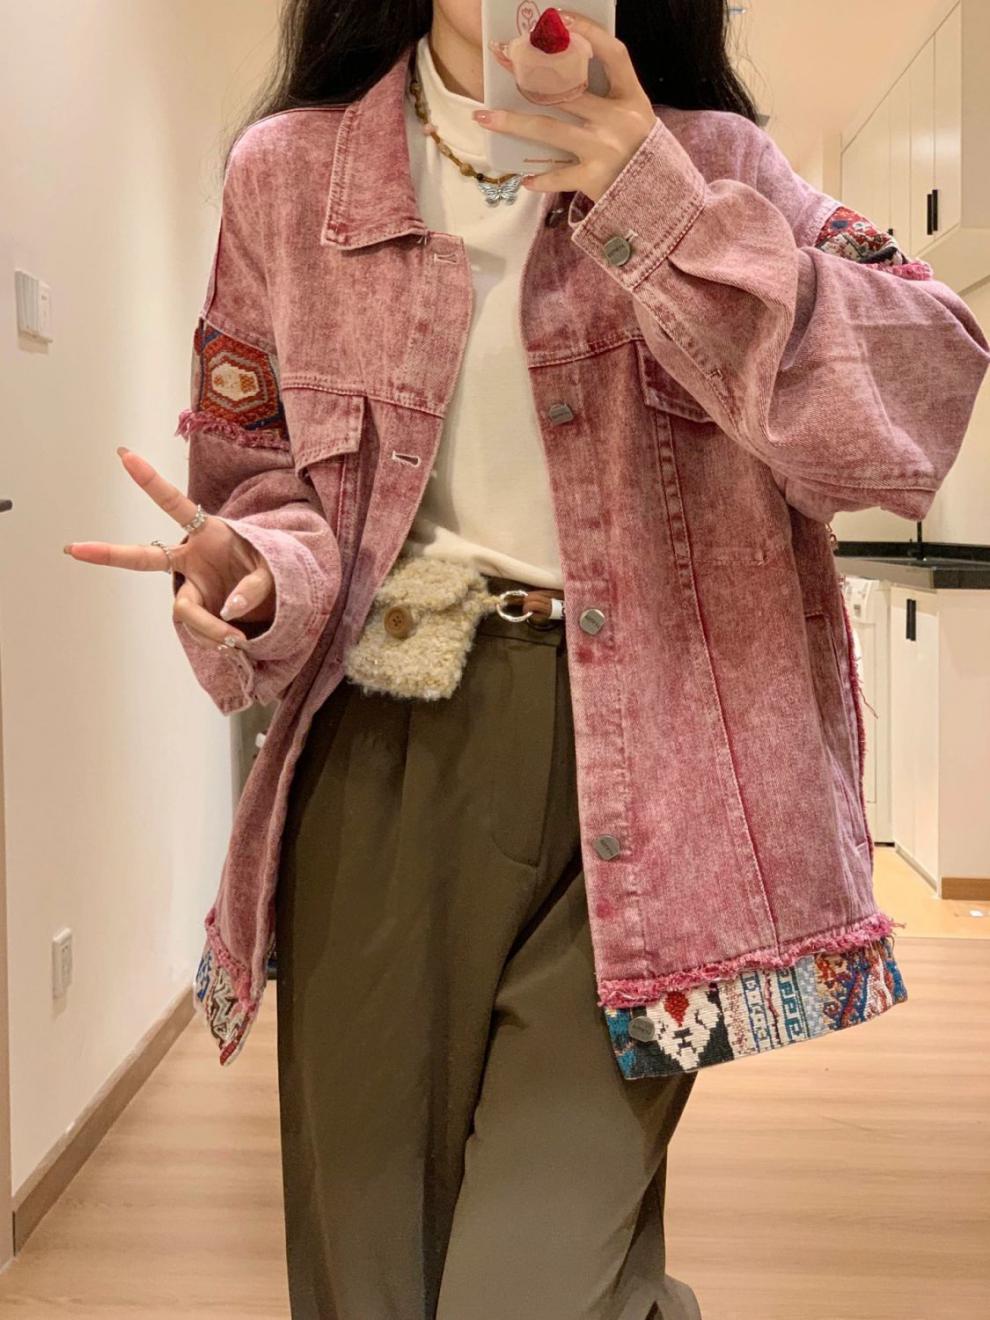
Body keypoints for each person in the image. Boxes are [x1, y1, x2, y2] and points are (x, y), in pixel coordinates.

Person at [63, 2, 990, 1317]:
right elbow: (263, 483)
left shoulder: (716, 162)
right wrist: (258, 571)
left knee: (534, 1284)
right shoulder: (286, 175)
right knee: (371, 1280)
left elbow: (922, 389)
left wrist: (650, 196)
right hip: (382, 760)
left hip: (667, 777)